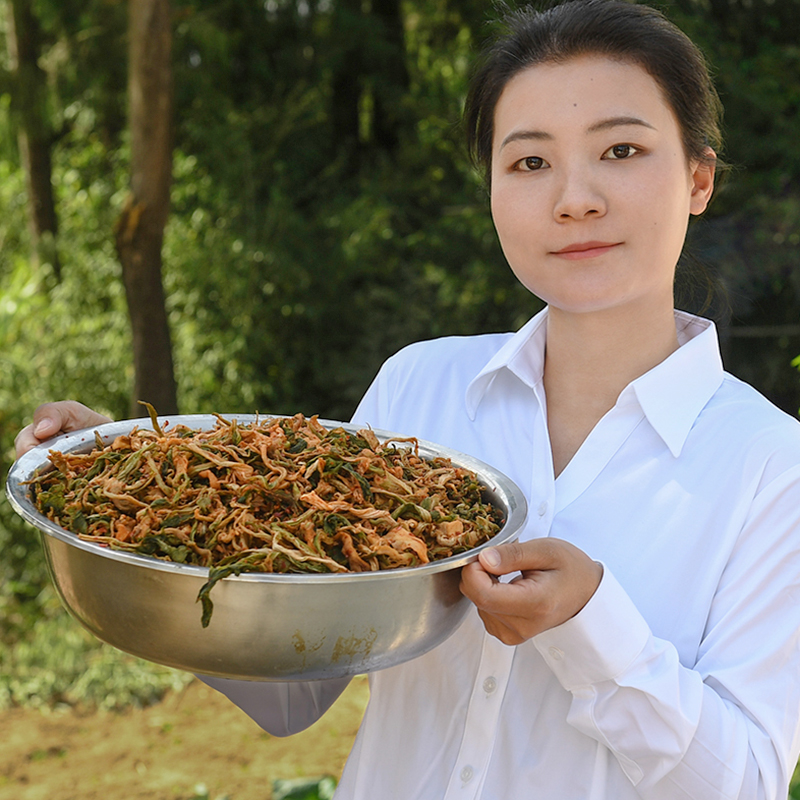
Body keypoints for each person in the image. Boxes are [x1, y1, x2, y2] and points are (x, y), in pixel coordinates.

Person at [15, 1, 800, 797]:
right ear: (492, 187)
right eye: (530, 162)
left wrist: (589, 623)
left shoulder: (771, 466)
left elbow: (749, 781)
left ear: (698, 177)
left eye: (621, 149)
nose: (575, 198)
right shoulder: (420, 387)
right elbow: (297, 685)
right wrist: (129, 492)